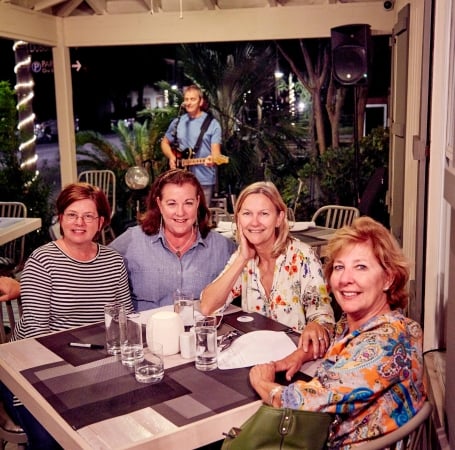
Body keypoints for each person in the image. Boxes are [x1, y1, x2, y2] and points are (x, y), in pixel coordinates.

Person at [249, 216, 426, 448]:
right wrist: (302, 354)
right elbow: (337, 340)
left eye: (361, 267)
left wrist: (263, 383)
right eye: (339, 267)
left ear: (388, 278)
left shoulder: (385, 342)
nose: (345, 279)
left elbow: (303, 402)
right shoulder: (362, 322)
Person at [1, 182, 134, 450]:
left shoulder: (113, 262)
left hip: (97, 363)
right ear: (60, 218)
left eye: (88, 216)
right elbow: (37, 337)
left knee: (123, 424)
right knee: (50, 438)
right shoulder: (42, 261)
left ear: (102, 222)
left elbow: (124, 320)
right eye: (71, 215)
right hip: (31, 369)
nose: (79, 223)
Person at [200, 181, 335, 359]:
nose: (254, 222)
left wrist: (316, 325)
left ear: (279, 218)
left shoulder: (302, 256)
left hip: (295, 356)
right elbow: (208, 307)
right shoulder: (244, 256)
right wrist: (242, 259)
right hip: (254, 355)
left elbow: (324, 318)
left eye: (264, 214)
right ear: (238, 218)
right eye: (247, 214)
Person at [109, 169, 237, 311]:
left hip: (201, 331)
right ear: (159, 204)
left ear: (198, 202)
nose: (180, 212)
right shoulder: (131, 241)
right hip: (146, 330)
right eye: (172, 204)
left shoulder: (223, 247)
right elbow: (96, 269)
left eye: (188, 203)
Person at [160, 84, 222, 206]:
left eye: (193, 99)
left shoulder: (212, 124)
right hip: (181, 179)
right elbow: (165, 142)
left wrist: (213, 160)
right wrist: (172, 157)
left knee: (202, 216)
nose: (188, 102)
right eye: (186, 99)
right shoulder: (178, 122)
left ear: (201, 101)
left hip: (204, 180)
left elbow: (217, 154)